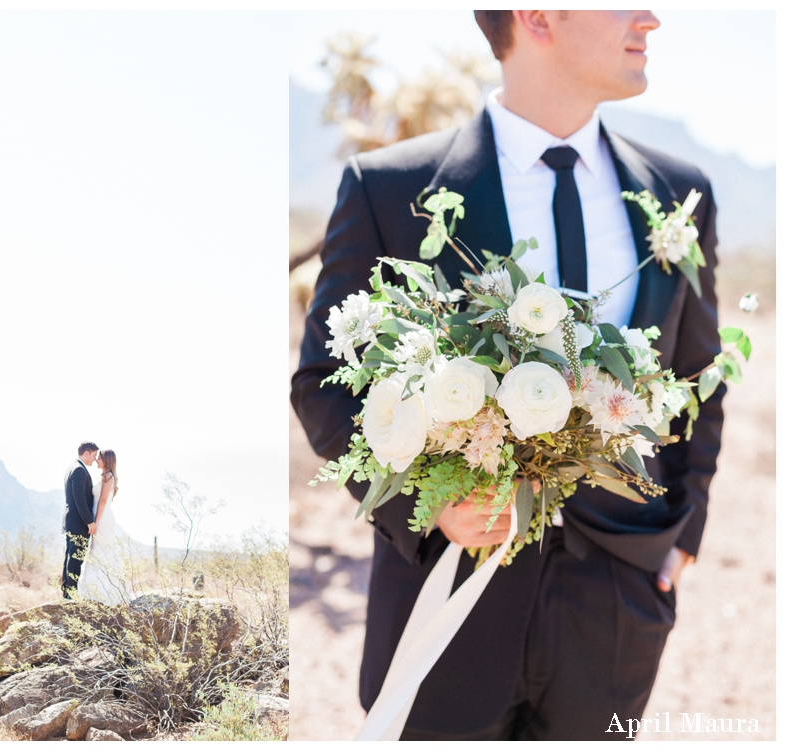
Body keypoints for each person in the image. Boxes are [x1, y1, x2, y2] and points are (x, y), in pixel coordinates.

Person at [291, 10, 725, 741]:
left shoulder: (680, 194)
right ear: (536, 16)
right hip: (445, 597)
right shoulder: (389, 188)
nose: (649, 16)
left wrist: (680, 536)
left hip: (615, 609)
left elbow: (698, 374)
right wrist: (422, 511)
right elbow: (321, 382)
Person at [78, 449, 130, 604]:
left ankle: (105, 592)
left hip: (102, 519)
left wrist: (96, 522)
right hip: (99, 517)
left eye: (99, 458)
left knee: (102, 552)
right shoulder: (103, 476)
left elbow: (102, 501)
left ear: (106, 460)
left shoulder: (108, 477)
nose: (96, 460)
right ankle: (94, 590)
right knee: (97, 552)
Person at [62, 441, 99, 599]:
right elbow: (79, 499)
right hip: (78, 523)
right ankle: (71, 594)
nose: (95, 459)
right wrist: (89, 521)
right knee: (75, 559)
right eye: (94, 455)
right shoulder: (79, 470)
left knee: (71, 557)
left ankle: (67, 593)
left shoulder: (73, 468)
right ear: (87, 453)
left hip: (73, 522)